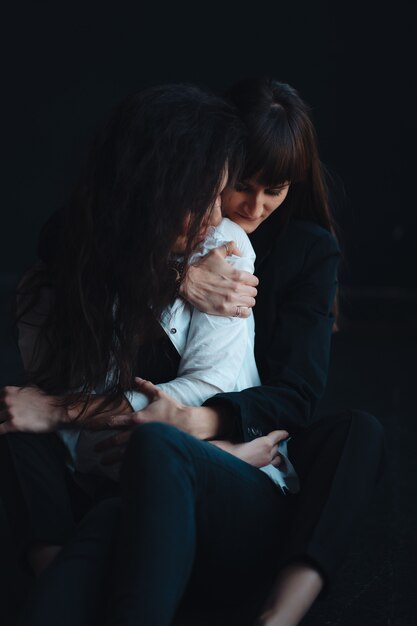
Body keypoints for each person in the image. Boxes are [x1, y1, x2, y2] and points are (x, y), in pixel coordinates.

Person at [0, 78, 384, 626]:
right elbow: (70, 236)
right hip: (144, 456)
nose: (250, 207)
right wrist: (176, 274)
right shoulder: (142, 246)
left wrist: (199, 428)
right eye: (237, 186)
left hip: (250, 446)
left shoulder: (263, 248)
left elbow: (289, 396)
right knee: (36, 438)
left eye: (273, 190)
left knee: (356, 434)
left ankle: (278, 615)